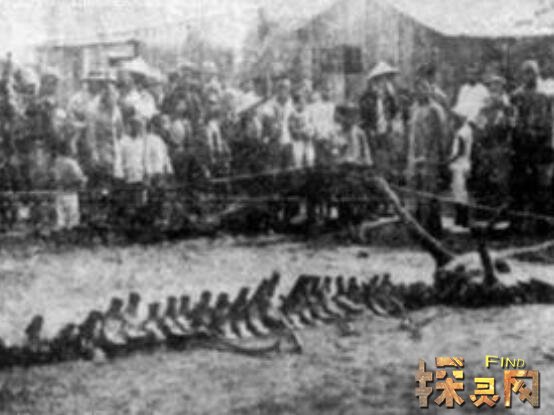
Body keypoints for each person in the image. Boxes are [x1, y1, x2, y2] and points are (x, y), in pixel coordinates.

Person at [510, 60, 553, 231]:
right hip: (522, 145)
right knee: (520, 184)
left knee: (541, 185)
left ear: (537, 73)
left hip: (541, 145)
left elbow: (550, 121)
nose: (529, 76)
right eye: (526, 72)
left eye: (532, 72)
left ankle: (542, 223)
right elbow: (514, 119)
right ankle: (518, 222)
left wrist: (548, 142)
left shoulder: (546, 94)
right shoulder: (517, 95)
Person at [407, 75, 449, 237]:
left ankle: (432, 230)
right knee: (416, 193)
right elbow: (412, 135)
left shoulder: (436, 109)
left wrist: (434, 157)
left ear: (430, 90)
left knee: (429, 193)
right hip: (414, 157)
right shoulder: (414, 109)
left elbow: (441, 136)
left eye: (423, 88)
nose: (420, 91)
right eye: (417, 88)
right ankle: (418, 229)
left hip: (430, 158)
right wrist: (412, 156)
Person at [84, 74, 123, 188]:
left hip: (114, 151)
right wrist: (94, 153)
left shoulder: (116, 110)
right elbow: (90, 134)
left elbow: (120, 131)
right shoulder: (93, 108)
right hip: (101, 151)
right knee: (101, 181)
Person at [51, 139, 87, 231]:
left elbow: (54, 177)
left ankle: (62, 233)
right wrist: (84, 181)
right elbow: (79, 177)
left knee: (61, 218)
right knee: (72, 219)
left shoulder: (57, 162)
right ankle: (71, 232)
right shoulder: (71, 163)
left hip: (60, 192)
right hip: (70, 192)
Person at [262, 77, 294, 169]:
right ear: (277, 89)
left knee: (288, 168)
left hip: (288, 141)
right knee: (275, 168)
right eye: (281, 87)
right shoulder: (270, 104)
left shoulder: (291, 103)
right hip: (274, 142)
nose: (283, 90)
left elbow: (294, 120)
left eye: (286, 88)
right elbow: (267, 121)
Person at [289, 90, 315, 168]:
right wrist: (301, 132)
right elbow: (292, 130)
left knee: (310, 159)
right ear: (295, 104)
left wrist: (310, 132)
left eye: (304, 102)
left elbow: (312, 126)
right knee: (298, 160)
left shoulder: (308, 113)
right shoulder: (293, 115)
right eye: (300, 103)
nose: (302, 105)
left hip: (308, 141)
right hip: (298, 141)